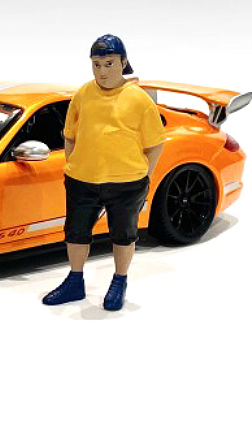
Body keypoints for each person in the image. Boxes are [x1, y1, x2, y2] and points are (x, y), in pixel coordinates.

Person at [42, 34, 165, 311]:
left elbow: (155, 143)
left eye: (109, 63)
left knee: (123, 234)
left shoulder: (139, 99)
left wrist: (145, 177)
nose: (102, 71)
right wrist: (73, 166)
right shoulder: (83, 94)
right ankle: (75, 280)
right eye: (96, 65)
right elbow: (70, 135)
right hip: (82, 180)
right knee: (75, 232)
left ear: (123, 62)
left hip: (126, 182)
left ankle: (120, 281)